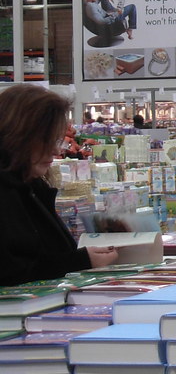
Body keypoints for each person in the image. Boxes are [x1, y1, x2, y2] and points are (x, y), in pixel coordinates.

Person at [0, 85, 121, 286]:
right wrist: (81, 261)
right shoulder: (13, 191)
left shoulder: (31, 186)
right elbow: (12, 271)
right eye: (47, 140)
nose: (56, 151)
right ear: (19, 136)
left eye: (56, 140)